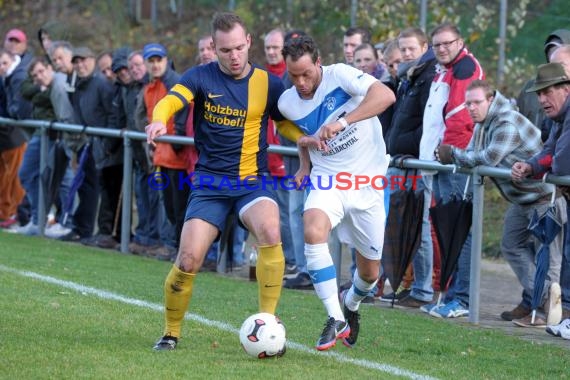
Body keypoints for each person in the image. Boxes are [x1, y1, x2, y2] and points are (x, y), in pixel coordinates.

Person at [145, 12, 303, 351]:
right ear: (213, 49)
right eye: (225, 50)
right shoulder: (200, 77)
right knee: (188, 260)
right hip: (209, 184)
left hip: (251, 181)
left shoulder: (268, 83)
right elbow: (170, 102)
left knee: (271, 232)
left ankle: (268, 326)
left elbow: (283, 123)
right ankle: (171, 332)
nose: (233, 57)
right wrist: (159, 121)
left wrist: (304, 137)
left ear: (248, 42)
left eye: (238, 48)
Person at [278, 35, 395, 350]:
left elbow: (385, 96)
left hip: (368, 182)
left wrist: (342, 122)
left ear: (318, 63)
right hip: (328, 180)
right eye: (293, 76)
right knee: (312, 230)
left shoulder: (341, 74)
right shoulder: (287, 102)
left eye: (306, 73)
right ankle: (335, 318)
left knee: (369, 273)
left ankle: (351, 305)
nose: (301, 82)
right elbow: (303, 137)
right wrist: (304, 164)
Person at [437, 79, 566, 326]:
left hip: (544, 197)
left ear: (491, 99)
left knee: (548, 260)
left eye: (476, 102)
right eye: (467, 104)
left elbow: (488, 158)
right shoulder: (482, 124)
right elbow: (474, 153)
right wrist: (459, 155)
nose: (471, 108)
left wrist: (452, 153)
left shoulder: (506, 121)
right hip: (520, 198)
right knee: (511, 245)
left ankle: (546, 314)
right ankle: (543, 299)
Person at [419, 22, 484, 318]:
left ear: (460, 42)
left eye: (448, 43)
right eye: (437, 45)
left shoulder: (465, 68)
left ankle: (463, 299)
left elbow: (460, 116)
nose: (442, 48)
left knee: (461, 230)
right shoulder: (443, 70)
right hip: (441, 161)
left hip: (455, 162)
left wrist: (448, 153)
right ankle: (450, 296)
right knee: (447, 229)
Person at [511, 62, 570, 338]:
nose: (542, 99)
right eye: (539, 94)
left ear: (566, 90)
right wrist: (531, 166)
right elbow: (550, 152)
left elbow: (562, 163)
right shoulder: (560, 118)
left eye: (547, 92)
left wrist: (543, 167)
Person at [384, 27, 438, 309]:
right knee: (401, 224)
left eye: (410, 49)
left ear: (424, 47)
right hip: (400, 161)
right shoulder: (409, 76)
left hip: (415, 163)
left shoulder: (428, 76)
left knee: (421, 225)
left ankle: (423, 289)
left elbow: (428, 124)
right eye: (402, 49)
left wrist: (408, 151)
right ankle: (410, 285)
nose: (406, 54)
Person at [0, 49, 27, 229]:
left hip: (12, 136)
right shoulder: (7, 79)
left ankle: (12, 213)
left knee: (14, 177)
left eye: (4, 63)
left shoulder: (15, 78)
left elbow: (14, 109)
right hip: (5, 136)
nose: (1, 67)